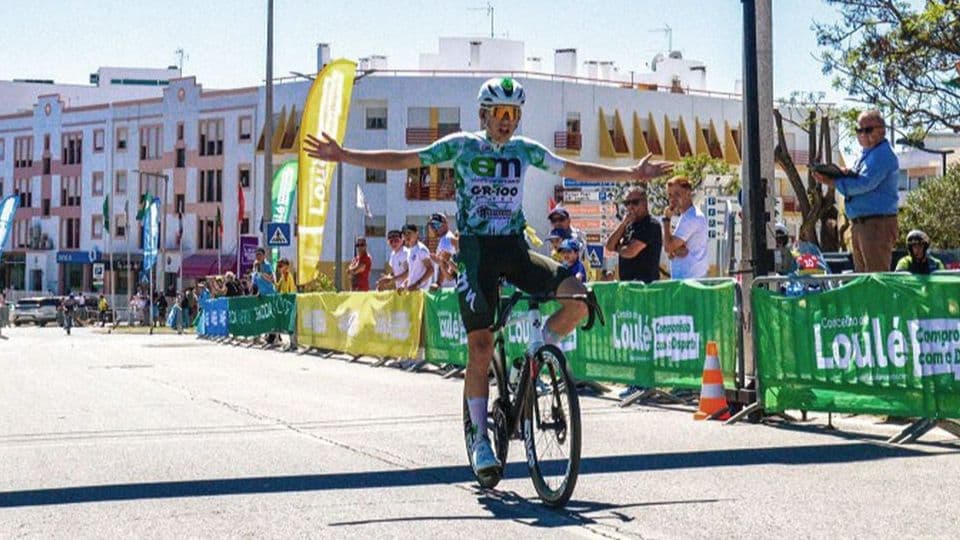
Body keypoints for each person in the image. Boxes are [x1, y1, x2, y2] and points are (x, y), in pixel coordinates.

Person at [304, 76, 671, 482]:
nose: (506, 121)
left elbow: (575, 167)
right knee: (480, 345)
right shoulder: (462, 146)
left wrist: (630, 173)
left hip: (513, 248)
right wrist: (344, 155)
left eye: (513, 113)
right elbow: (406, 159)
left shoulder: (524, 149)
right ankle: (480, 437)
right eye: (499, 113)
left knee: (580, 298)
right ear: (483, 114)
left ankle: (540, 350)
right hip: (476, 254)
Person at [812, 109, 899, 273]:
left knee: (875, 280)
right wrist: (843, 173)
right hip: (862, 224)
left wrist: (834, 181)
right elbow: (858, 177)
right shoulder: (867, 154)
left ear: (882, 130)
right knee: (862, 280)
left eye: (868, 130)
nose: (863, 134)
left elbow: (865, 183)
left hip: (876, 225)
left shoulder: (883, 154)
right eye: (859, 130)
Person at [604, 188, 662, 283]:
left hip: (645, 285)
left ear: (645, 203)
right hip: (628, 284)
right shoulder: (629, 226)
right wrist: (623, 224)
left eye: (635, 202)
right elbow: (609, 246)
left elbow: (630, 252)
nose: (630, 207)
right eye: (627, 203)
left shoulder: (651, 225)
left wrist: (617, 247)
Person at [662, 176, 709, 279]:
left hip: (690, 282)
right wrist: (675, 249)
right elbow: (671, 249)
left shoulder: (691, 217)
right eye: (670, 195)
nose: (672, 199)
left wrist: (666, 220)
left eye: (677, 194)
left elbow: (668, 246)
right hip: (686, 280)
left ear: (688, 193)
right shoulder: (686, 217)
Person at [399, 223, 434, 292]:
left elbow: (431, 270)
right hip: (413, 292)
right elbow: (413, 273)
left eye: (409, 233)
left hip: (422, 292)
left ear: (416, 233)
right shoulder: (410, 251)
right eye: (404, 234)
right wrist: (404, 285)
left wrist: (417, 284)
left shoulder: (421, 249)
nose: (407, 236)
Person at [429, 213, 458, 289]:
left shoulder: (446, 239)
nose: (434, 228)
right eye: (432, 225)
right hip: (449, 287)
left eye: (437, 225)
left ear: (446, 225)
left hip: (446, 289)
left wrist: (438, 283)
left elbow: (444, 262)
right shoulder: (445, 238)